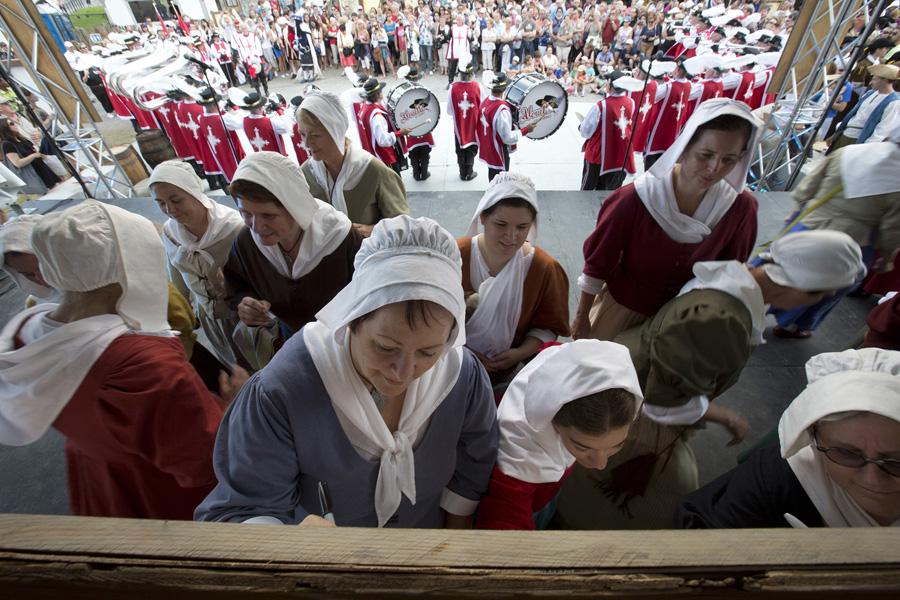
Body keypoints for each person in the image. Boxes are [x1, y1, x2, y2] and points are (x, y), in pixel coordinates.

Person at [196, 215, 499, 528]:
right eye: (385, 347)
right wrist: (287, 537)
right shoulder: (283, 392)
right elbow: (246, 508)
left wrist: (453, 545)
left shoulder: (461, 377)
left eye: (428, 352)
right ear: (351, 318)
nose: (403, 372)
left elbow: (471, 465)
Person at [557, 229, 867, 530]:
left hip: (636, 381)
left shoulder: (736, 280)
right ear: (801, 288)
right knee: (652, 493)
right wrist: (724, 415)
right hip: (635, 401)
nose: (816, 302)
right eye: (821, 295)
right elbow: (663, 403)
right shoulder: (720, 318)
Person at [0, 200, 247, 520]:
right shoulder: (144, 366)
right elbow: (207, 458)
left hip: (106, 476)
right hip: (164, 491)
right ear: (124, 264)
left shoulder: (29, 330)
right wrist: (235, 407)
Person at [571, 99, 763, 342]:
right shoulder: (636, 199)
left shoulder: (740, 208)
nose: (715, 168)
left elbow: (729, 271)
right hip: (623, 311)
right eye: (706, 155)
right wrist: (582, 317)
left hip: (684, 320)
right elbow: (598, 263)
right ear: (683, 148)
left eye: (729, 159)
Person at [675, 348, 900, 528]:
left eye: (896, 461)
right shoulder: (776, 481)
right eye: (846, 453)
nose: (872, 479)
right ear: (814, 439)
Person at [475, 340, 642, 530]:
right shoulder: (521, 447)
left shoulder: (564, 366)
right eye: (582, 447)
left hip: (544, 492)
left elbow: (555, 348)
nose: (600, 464)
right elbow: (505, 519)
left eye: (617, 445)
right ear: (553, 419)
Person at [764, 139, 900, 339]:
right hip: (853, 242)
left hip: (809, 224)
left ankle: (752, 306)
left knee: (776, 267)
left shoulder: (847, 152)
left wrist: (795, 212)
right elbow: (891, 229)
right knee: (824, 288)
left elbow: (808, 186)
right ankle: (792, 325)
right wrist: (887, 258)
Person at [223, 151, 363, 343]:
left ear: (295, 206)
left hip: (345, 338)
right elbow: (238, 284)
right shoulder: (246, 242)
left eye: (268, 215)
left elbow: (367, 292)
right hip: (292, 338)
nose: (255, 227)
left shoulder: (340, 237)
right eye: (246, 213)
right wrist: (245, 303)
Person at [458, 172, 569, 383]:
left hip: (514, 370)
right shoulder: (456, 257)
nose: (511, 237)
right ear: (482, 217)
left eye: (522, 227)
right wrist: (462, 351)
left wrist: (520, 353)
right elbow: (433, 316)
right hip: (455, 363)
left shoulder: (543, 269)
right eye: (501, 225)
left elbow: (547, 325)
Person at [150, 160, 246, 367]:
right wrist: (185, 312)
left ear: (195, 192)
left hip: (241, 315)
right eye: (161, 202)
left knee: (254, 362)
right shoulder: (170, 231)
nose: (169, 209)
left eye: (176, 200)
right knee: (228, 362)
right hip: (208, 317)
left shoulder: (234, 229)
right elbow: (175, 273)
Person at [297, 90, 408, 237]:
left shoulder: (375, 173)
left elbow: (404, 226)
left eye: (315, 135)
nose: (307, 143)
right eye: (303, 134)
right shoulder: (305, 175)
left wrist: (375, 231)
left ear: (335, 131)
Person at [579, 71, 642, 191]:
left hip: (597, 155)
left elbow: (585, 132)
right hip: (617, 154)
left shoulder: (600, 106)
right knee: (607, 189)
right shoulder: (631, 103)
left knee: (587, 190)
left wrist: (580, 127)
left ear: (609, 86)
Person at [828, 65, 900, 152]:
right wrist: (836, 134)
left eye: (874, 79)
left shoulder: (893, 102)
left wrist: (865, 149)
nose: (870, 82)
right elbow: (854, 115)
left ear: (884, 81)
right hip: (845, 134)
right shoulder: (870, 93)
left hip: (859, 141)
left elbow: (883, 129)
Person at [477, 73, 534, 182]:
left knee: (492, 176)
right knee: (500, 180)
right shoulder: (502, 110)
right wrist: (525, 130)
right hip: (498, 149)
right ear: (505, 88)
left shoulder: (486, 101)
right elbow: (507, 137)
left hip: (488, 145)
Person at [356, 78, 413, 174]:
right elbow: (383, 140)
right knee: (393, 185)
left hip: (372, 155)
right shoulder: (376, 116)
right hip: (384, 157)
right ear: (379, 94)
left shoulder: (364, 107)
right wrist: (400, 133)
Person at [0, 116, 59, 195]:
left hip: (43, 169)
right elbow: (17, 163)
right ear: (5, 127)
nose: (15, 125)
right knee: (49, 195)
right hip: (33, 174)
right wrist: (33, 156)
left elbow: (32, 150)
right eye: (11, 124)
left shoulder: (20, 139)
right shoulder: (7, 144)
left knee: (57, 188)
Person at [448, 56, 481, 181]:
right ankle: (469, 172)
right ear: (472, 74)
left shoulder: (453, 87)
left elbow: (449, 110)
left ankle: (462, 173)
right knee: (471, 147)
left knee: (460, 148)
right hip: (473, 125)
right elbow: (482, 107)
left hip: (459, 125)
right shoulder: (477, 87)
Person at [402, 67, 436, 181]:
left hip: (410, 128)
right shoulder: (423, 90)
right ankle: (424, 173)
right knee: (424, 151)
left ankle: (416, 174)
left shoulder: (403, 93)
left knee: (414, 152)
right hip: (424, 125)